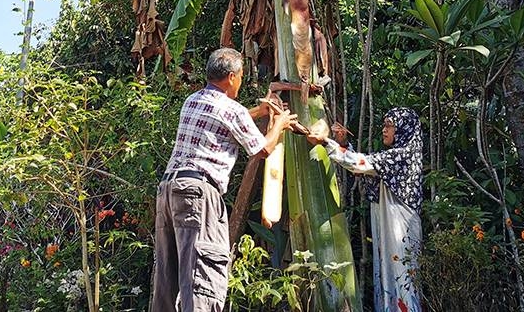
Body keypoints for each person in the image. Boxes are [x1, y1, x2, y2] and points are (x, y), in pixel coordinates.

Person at [149, 47, 298, 312]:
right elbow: (261, 150)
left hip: (169, 190)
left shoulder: (193, 100)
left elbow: (222, 120)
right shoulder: (232, 110)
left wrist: (258, 112)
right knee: (201, 277)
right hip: (199, 193)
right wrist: (280, 125)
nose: (240, 81)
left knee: (167, 278)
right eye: (240, 76)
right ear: (231, 77)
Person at [310, 108, 424, 312]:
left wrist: (327, 142)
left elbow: (360, 164)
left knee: (403, 280)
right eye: (385, 125)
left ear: (403, 129)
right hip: (390, 228)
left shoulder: (403, 156)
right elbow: (366, 165)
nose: (384, 130)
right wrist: (342, 143)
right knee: (390, 278)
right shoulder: (393, 157)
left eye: (390, 125)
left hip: (401, 230)